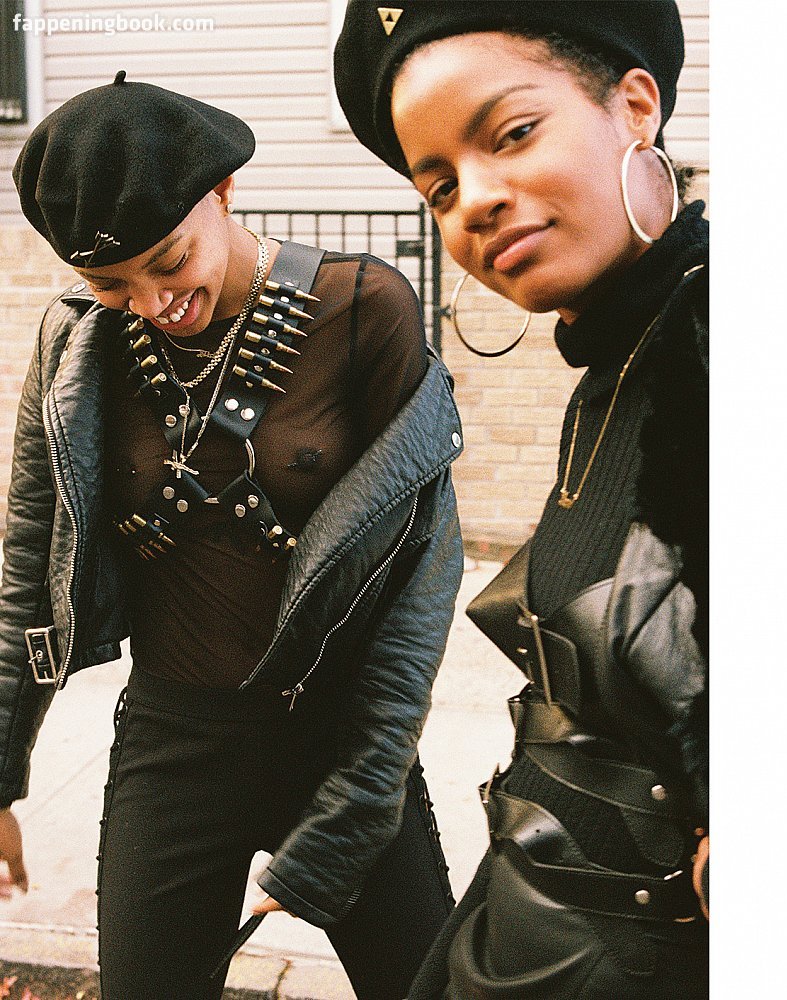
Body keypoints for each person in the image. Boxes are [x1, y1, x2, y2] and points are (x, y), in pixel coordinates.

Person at [0, 73, 466, 999]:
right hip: (173, 739)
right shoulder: (77, 347)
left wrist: (365, 793)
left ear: (222, 191)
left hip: (339, 737)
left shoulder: (364, 308)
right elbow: (26, 562)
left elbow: (423, 574)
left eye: (169, 261)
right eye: (108, 283)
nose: (150, 303)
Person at [335, 3, 708, 996]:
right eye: (440, 185)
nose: (476, 201)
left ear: (635, 106)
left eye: (512, 133)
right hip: (530, 933)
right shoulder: (618, 363)